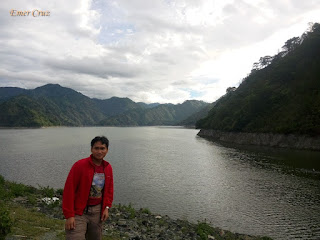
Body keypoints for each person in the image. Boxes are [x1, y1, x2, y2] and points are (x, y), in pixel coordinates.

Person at [62, 136, 114, 240]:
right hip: (79, 211)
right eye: (96, 148)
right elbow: (69, 190)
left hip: (97, 212)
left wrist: (106, 207)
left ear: (107, 150)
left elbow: (109, 190)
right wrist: (69, 215)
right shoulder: (80, 165)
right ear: (91, 149)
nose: (99, 151)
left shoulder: (107, 168)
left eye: (102, 148)